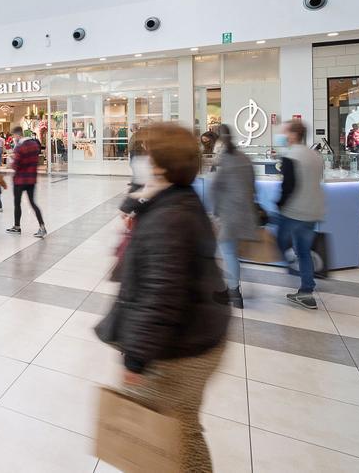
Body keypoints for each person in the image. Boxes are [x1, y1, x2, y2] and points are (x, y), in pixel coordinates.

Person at [95, 122, 230, 473]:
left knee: (156, 441)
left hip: (177, 352)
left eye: (147, 154)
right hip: (198, 339)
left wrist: (136, 358)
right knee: (182, 429)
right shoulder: (178, 199)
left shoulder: (171, 217)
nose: (141, 159)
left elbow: (162, 295)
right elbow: (133, 205)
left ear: (161, 163)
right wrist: (142, 196)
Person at [277, 120, 325, 310]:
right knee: (304, 252)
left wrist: (278, 205)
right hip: (313, 211)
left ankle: (290, 263)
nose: (282, 136)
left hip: (294, 212)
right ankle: (307, 291)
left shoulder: (291, 156)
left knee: (279, 243)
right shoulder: (315, 156)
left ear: (294, 135)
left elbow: (288, 187)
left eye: (285, 132)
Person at [209, 124, 258, 309]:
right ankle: (232, 288)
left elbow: (214, 189)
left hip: (229, 215)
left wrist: (215, 213)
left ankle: (234, 293)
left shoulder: (223, 161)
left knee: (228, 253)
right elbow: (253, 186)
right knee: (233, 253)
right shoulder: (245, 158)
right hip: (245, 213)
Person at [6, 127, 47, 237]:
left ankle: (17, 226)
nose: (14, 138)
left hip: (20, 179)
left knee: (17, 203)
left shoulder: (19, 147)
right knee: (33, 203)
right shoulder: (34, 145)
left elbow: (15, 165)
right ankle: (42, 226)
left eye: (14, 136)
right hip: (31, 178)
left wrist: (11, 162)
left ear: (17, 135)